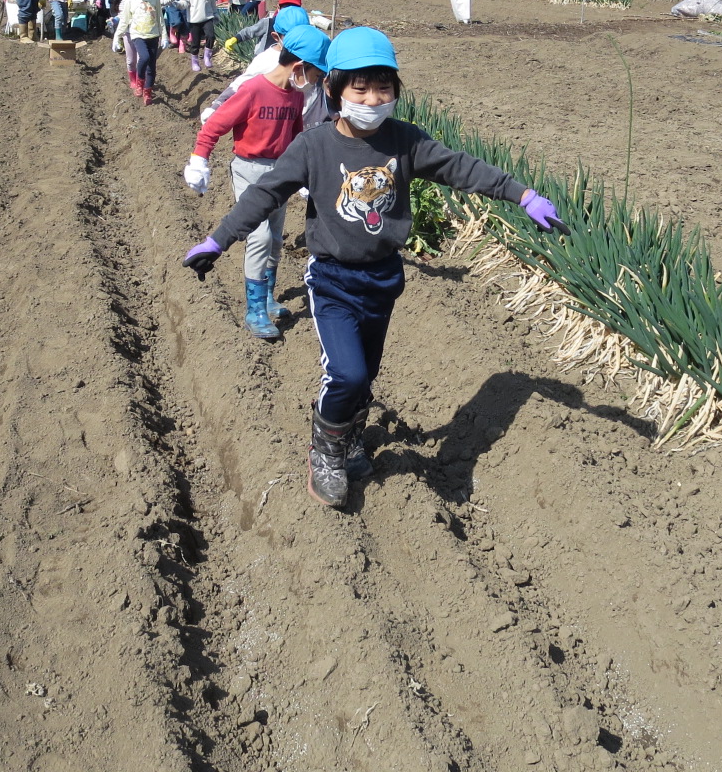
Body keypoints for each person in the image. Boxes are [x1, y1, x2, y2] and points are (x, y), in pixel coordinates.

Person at [182, 27, 567, 509]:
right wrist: (219, 239)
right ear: (334, 89)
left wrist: (522, 194)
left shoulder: (403, 142)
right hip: (332, 280)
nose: (372, 98)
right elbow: (265, 194)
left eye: (383, 87)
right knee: (345, 375)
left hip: (384, 279)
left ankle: (350, 438)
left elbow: (460, 167)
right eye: (359, 87)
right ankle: (325, 452)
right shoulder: (314, 146)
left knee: (366, 375)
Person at [184, 24, 330, 341]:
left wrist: (302, 173)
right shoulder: (253, 90)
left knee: (275, 239)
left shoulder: (294, 97)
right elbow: (214, 126)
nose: (317, 82)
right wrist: (199, 159)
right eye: (317, 74)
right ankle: (254, 310)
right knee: (260, 237)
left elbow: (296, 138)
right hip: (249, 169)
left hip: (280, 172)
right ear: (299, 67)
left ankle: (266, 297)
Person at [201, 5, 325, 127]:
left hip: (311, 123)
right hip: (283, 125)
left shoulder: (311, 57)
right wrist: (216, 107)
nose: (297, 41)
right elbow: (240, 86)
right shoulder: (267, 60)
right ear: (276, 37)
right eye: (290, 37)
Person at [112, 0, 164, 105]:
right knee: (144, 57)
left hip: (153, 35)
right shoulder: (130, 0)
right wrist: (117, 37)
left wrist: (163, 36)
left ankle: (148, 92)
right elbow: (125, 20)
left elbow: (160, 18)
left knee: (152, 66)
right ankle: (140, 81)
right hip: (137, 35)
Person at [230, 0, 306, 59]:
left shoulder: (302, 28)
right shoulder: (268, 23)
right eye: (286, 7)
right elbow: (250, 31)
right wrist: (236, 38)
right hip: (263, 61)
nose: (289, 10)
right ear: (278, 8)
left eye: (293, 7)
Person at [180, 0, 218, 72]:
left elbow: (212, 1)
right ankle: (195, 61)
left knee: (211, 36)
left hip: (208, 17)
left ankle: (207, 55)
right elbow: (184, 2)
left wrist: (216, 14)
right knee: (195, 42)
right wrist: (177, 4)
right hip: (194, 19)